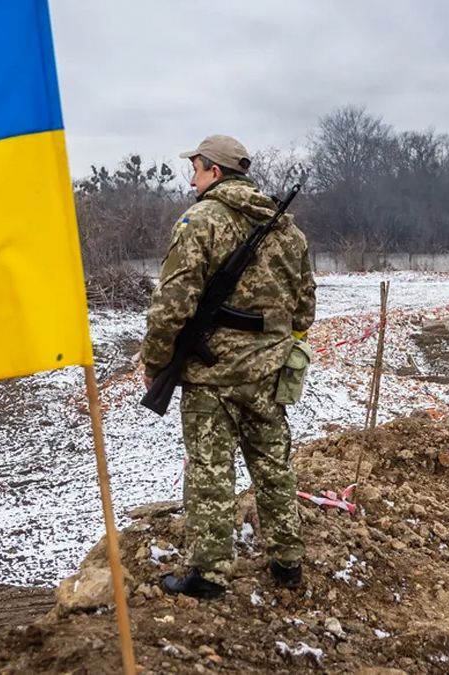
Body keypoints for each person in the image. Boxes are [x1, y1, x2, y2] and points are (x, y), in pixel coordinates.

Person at [141, 135, 315, 599]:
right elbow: (304, 310)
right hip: (267, 374)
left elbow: (170, 305)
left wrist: (156, 362)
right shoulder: (288, 231)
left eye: (196, 169)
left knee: (210, 473)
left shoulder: (200, 222)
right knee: (274, 467)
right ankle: (288, 562)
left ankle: (209, 574)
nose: (191, 180)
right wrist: (271, 349)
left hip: (211, 377)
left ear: (214, 171)